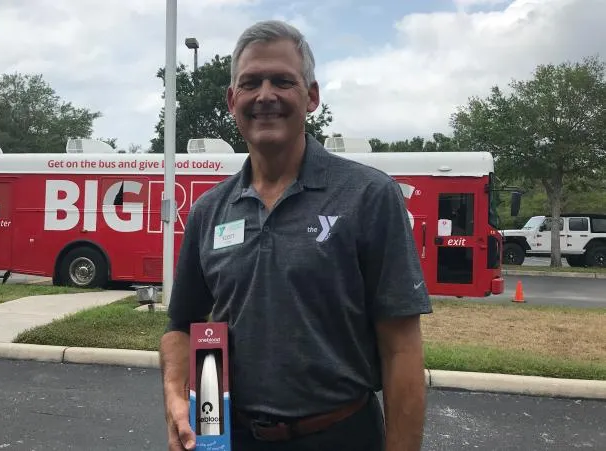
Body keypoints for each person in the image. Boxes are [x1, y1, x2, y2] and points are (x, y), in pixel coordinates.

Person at [159, 19, 432, 451]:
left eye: (282, 81)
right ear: (233, 100)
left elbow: (401, 350)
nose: (265, 95)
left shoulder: (369, 195)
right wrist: (176, 399)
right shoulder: (209, 211)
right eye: (250, 83)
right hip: (231, 437)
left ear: (311, 97)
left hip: (341, 434)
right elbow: (182, 327)